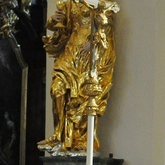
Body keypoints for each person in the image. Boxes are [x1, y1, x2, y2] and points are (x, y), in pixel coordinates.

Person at [38, 0, 119, 154]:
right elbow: (58, 26)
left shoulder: (102, 3)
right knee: (57, 89)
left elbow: (106, 27)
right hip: (69, 53)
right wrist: (54, 20)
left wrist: (93, 41)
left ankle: (79, 140)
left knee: (82, 98)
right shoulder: (71, 2)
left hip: (87, 57)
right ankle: (58, 136)